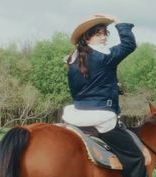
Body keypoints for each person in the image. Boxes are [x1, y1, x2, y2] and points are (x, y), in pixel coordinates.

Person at [62, 14, 147, 177]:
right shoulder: (105, 56)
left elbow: (75, 91)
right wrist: (119, 22)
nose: (104, 38)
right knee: (136, 157)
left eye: (105, 33)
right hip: (101, 116)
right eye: (98, 34)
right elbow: (129, 44)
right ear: (87, 38)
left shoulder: (72, 61)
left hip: (77, 113)